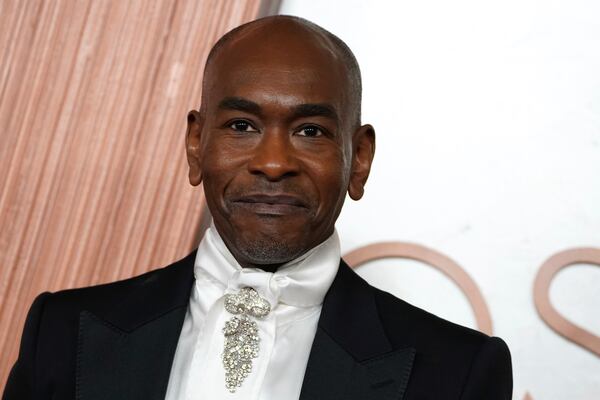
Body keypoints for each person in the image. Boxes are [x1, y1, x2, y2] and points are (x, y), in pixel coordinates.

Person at [3, 15, 512, 400]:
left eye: (310, 131)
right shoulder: (62, 332)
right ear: (195, 145)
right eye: (241, 126)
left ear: (358, 159)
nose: (273, 163)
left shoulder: (457, 373)